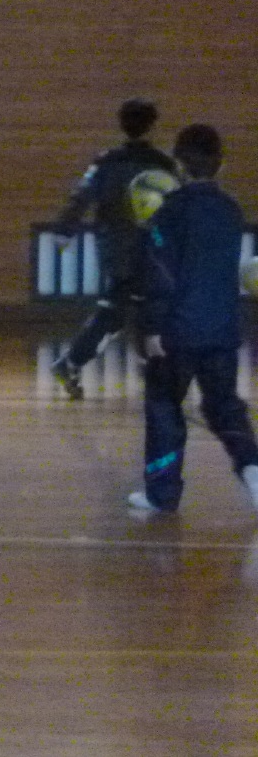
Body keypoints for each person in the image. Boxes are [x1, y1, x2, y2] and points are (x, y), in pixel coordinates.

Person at [128, 124, 258, 513]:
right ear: (221, 164)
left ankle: (162, 493)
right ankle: (252, 468)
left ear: (178, 165)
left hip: (177, 331)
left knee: (164, 405)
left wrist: (152, 328)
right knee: (224, 406)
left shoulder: (170, 212)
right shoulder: (231, 210)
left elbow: (159, 274)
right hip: (222, 329)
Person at [50, 98, 179, 399]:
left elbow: (81, 196)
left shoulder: (106, 163)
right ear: (152, 126)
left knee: (125, 307)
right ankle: (75, 363)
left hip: (115, 247)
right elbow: (178, 204)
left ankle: (74, 363)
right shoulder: (163, 165)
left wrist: (65, 229)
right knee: (142, 307)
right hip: (152, 247)